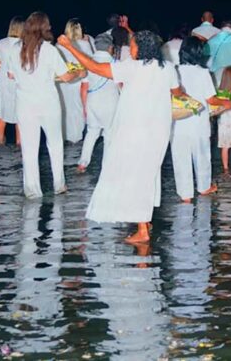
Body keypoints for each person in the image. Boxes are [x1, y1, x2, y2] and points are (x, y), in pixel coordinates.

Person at [57, 30, 183, 244]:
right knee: (148, 172)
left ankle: (142, 229)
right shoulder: (167, 68)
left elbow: (95, 67)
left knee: (134, 173)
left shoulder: (131, 68)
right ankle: (144, 218)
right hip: (158, 130)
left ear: (141, 48)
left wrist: (70, 47)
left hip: (135, 129)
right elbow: (178, 94)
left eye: (133, 46)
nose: (131, 49)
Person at [7, 12, 83, 198]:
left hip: (25, 105)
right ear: (45, 28)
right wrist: (79, 74)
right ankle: (59, 185)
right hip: (48, 103)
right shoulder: (49, 50)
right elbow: (65, 76)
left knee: (29, 148)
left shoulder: (15, 49)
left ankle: (32, 192)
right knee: (55, 144)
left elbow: (11, 75)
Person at [171, 37, 230, 202]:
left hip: (178, 122)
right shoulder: (203, 72)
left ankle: (185, 195)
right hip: (198, 122)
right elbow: (211, 99)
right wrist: (226, 102)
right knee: (202, 156)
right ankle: (204, 187)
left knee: (180, 158)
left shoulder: (174, 70)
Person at [77, 33, 120, 172]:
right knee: (109, 134)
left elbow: (84, 87)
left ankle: (82, 163)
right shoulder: (116, 64)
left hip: (92, 103)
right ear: (110, 47)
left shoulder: (88, 63)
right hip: (110, 103)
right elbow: (121, 86)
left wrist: (84, 106)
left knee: (91, 133)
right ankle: (106, 167)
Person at [0, 16, 24, 146]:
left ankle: (1, 139)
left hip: (3, 82)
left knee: (1, 111)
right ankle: (19, 142)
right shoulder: (25, 44)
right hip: (20, 83)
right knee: (20, 113)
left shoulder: (2, 43)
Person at [56, 18, 94, 143]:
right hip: (79, 81)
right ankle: (76, 139)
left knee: (64, 109)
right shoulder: (84, 44)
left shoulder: (59, 45)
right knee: (77, 110)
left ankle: (64, 137)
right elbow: (91, 64)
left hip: (62, 82)